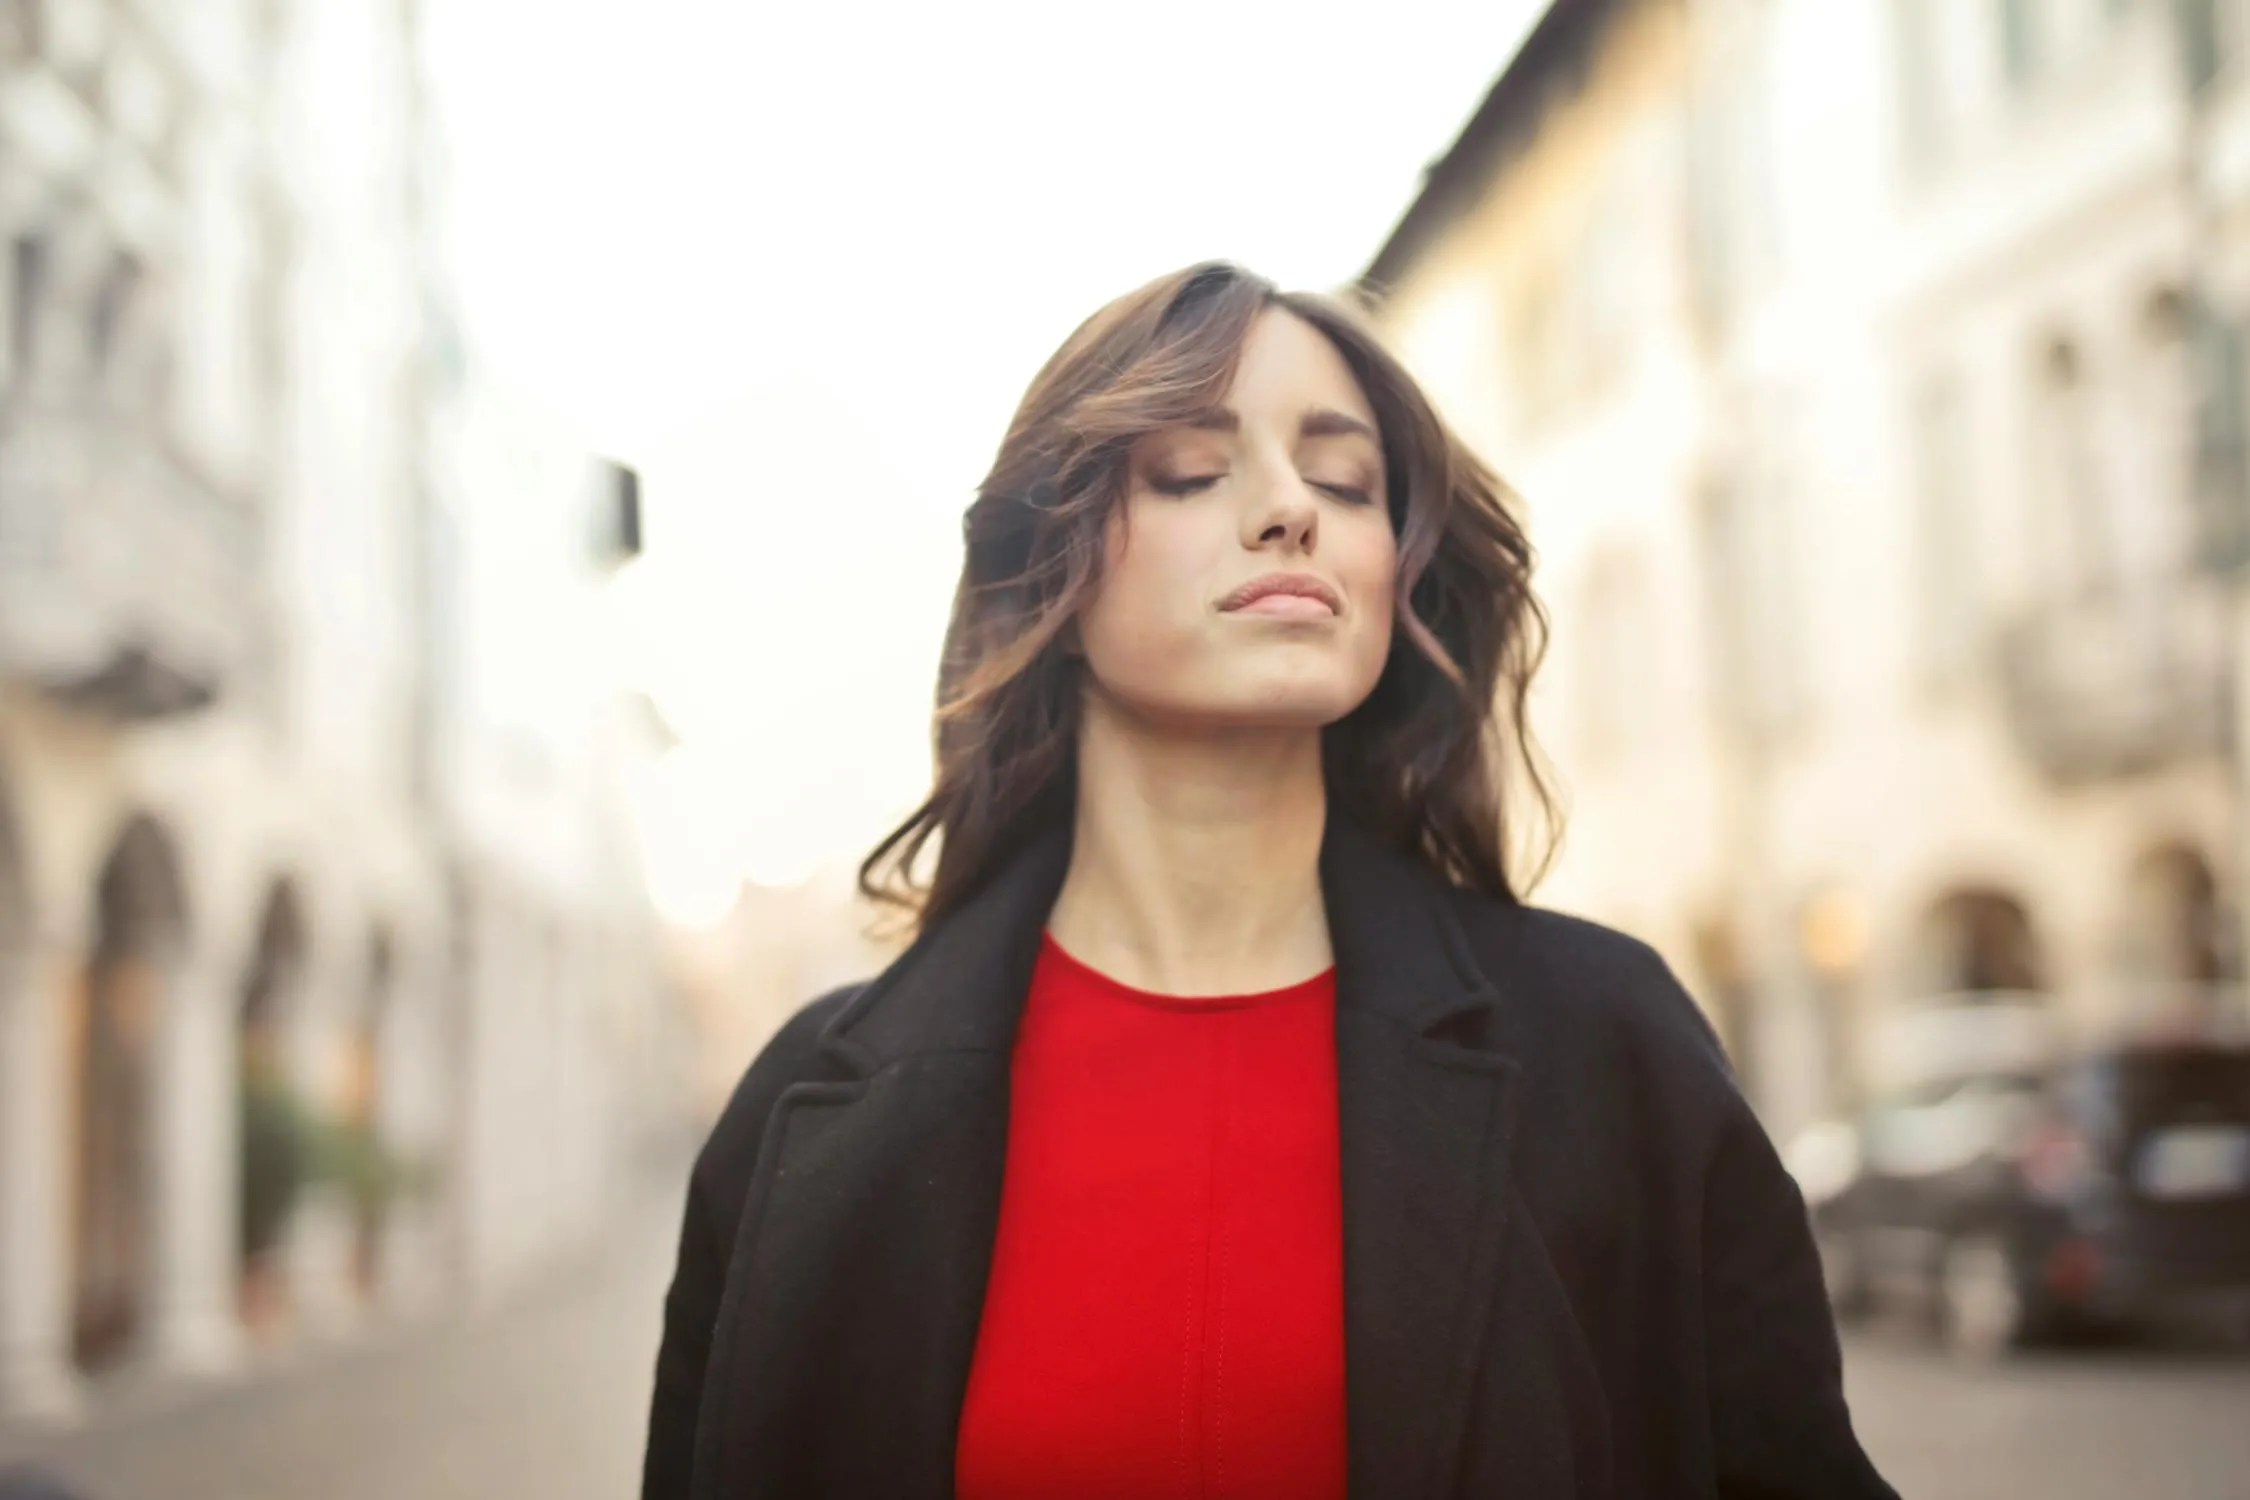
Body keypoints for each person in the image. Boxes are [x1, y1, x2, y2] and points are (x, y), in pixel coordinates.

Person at [641, 262, 1898, 1499]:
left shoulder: (1611, 1050)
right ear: (1049, 578)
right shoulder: (807, 1120)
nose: (1291, 506)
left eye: (1345, 481)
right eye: (1193, 471)